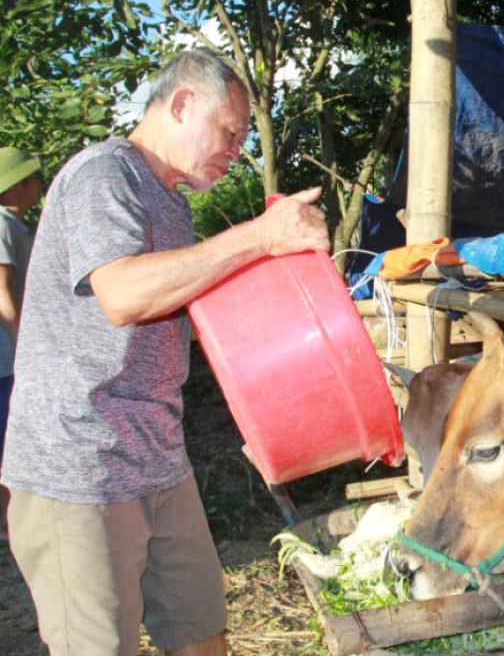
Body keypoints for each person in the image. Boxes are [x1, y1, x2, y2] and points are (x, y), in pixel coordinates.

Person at [0, 48, 329, 655]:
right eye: (230, 132)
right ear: (181, 103)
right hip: (80, 466)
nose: (236, 151)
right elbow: (123, 293)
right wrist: (258, 236)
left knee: (202, 633)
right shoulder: (105, 174)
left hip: (157, 455)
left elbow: (177, 313)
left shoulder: (170, 201)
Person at [0, 146, 41, 548]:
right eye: (34, 179)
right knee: (9, 440)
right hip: (7, 359)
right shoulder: (1, 225)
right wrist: (23, 347)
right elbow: (2, 295)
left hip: (13, 356)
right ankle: (9, 524)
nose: (38, 187)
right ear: (19, 185)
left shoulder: (17, 226)